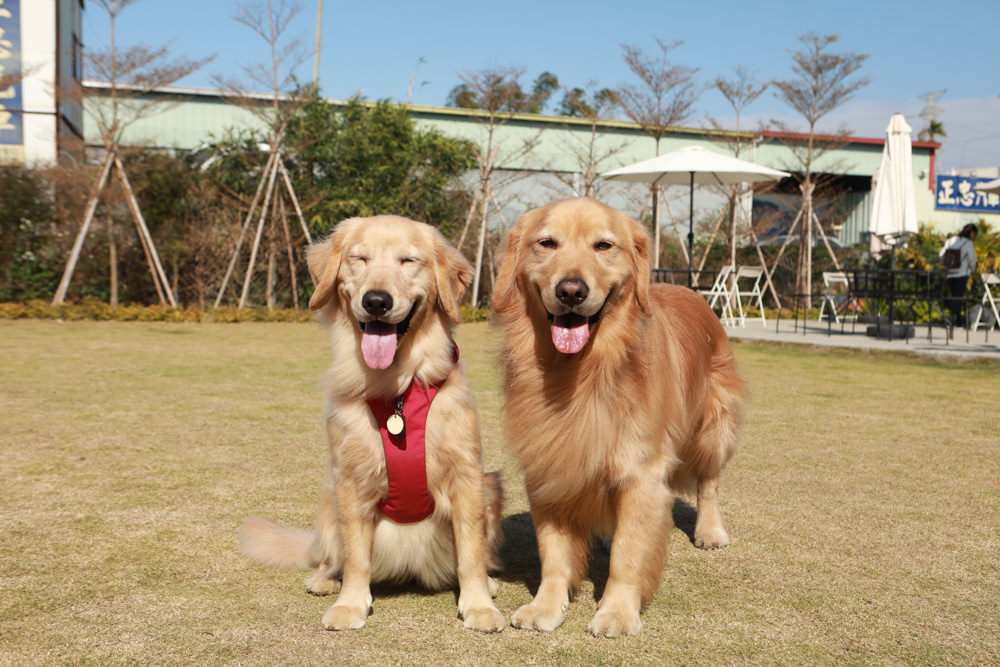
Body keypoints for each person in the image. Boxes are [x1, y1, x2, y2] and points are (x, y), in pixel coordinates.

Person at [940, 223, 978, 327]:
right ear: (971, 232)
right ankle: (954, 320)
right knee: (958, 298)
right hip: (962, 273)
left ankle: (955, 319)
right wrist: (974, 270)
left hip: (950, 274)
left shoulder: (951, 240)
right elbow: (972, 261)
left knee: (954, 297)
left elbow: (941, 255)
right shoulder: (968, 243)